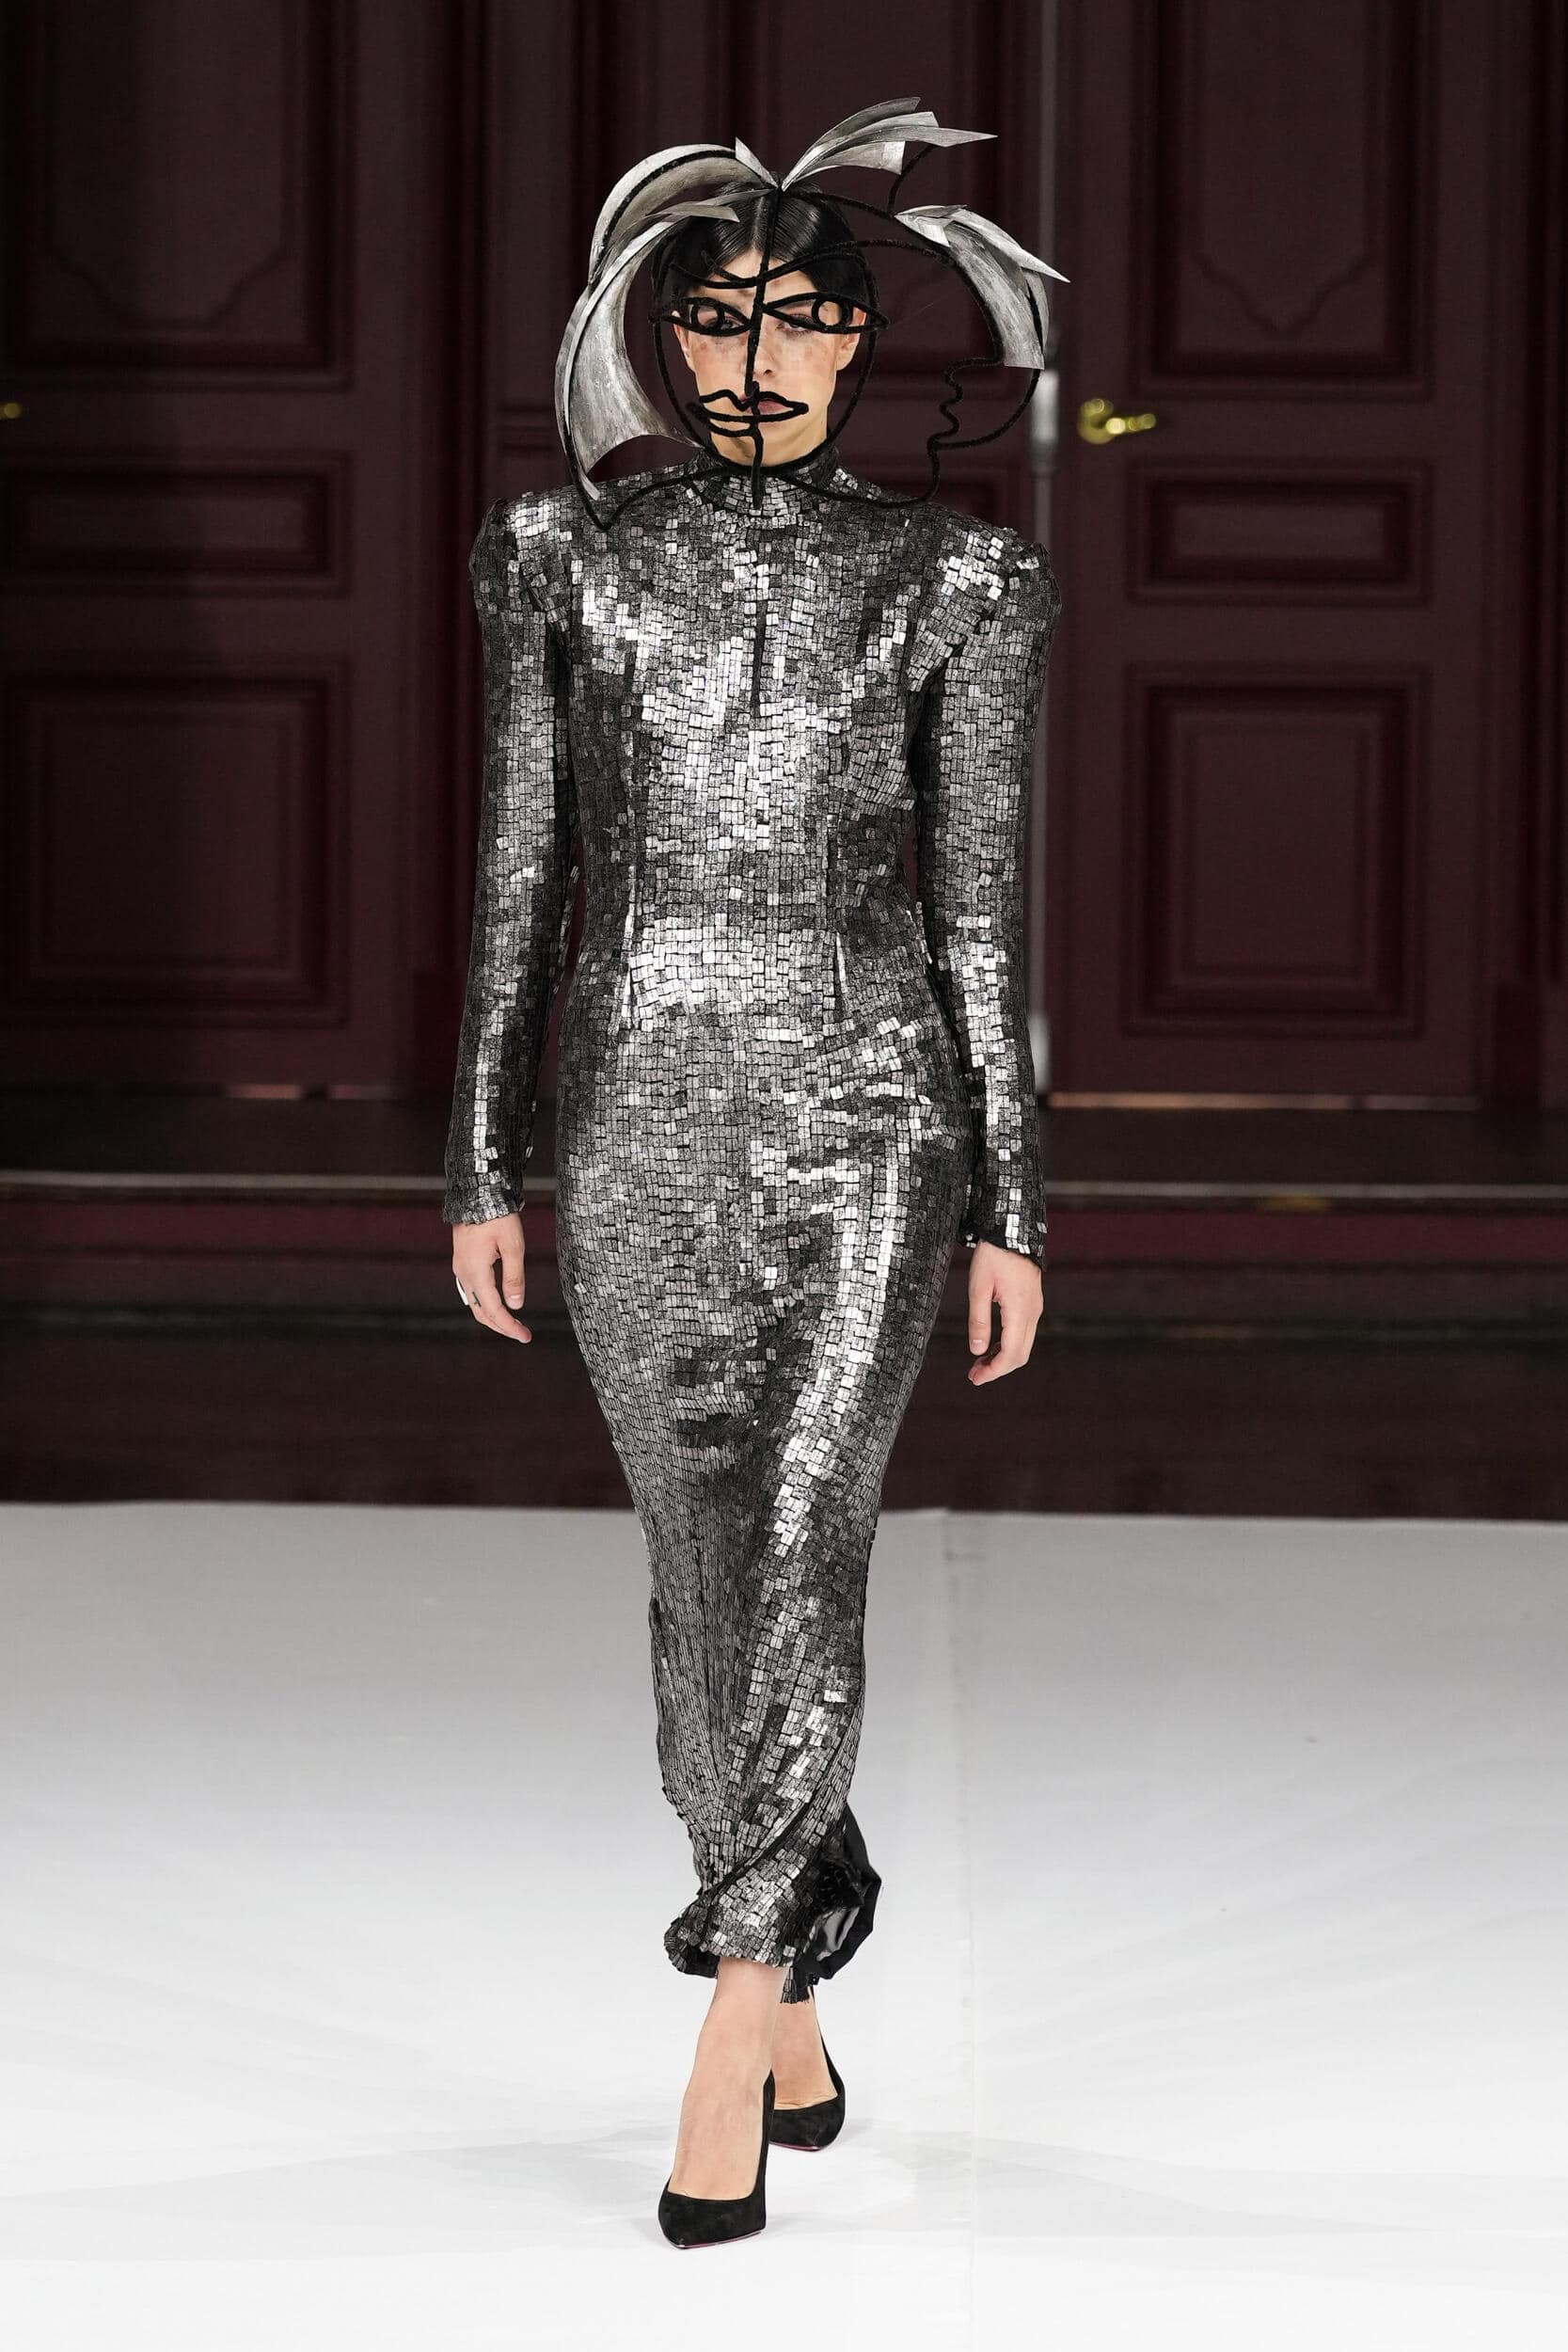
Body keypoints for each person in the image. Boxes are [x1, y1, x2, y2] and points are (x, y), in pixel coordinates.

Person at [442, 99, 1065, 2247]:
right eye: (718, 321)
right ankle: (793, 1953)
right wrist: (482, 1163)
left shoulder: (957, 580)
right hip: (634, 1112)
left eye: (803, 323)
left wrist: (1012, 1201)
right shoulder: (560, 559)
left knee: (802, 1536)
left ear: (863, 345)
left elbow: (980, 917)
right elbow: (518, 881)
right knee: (703, 1570)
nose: (757, 362)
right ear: (660, 334)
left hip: (874, 1119)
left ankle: (727, 2016)